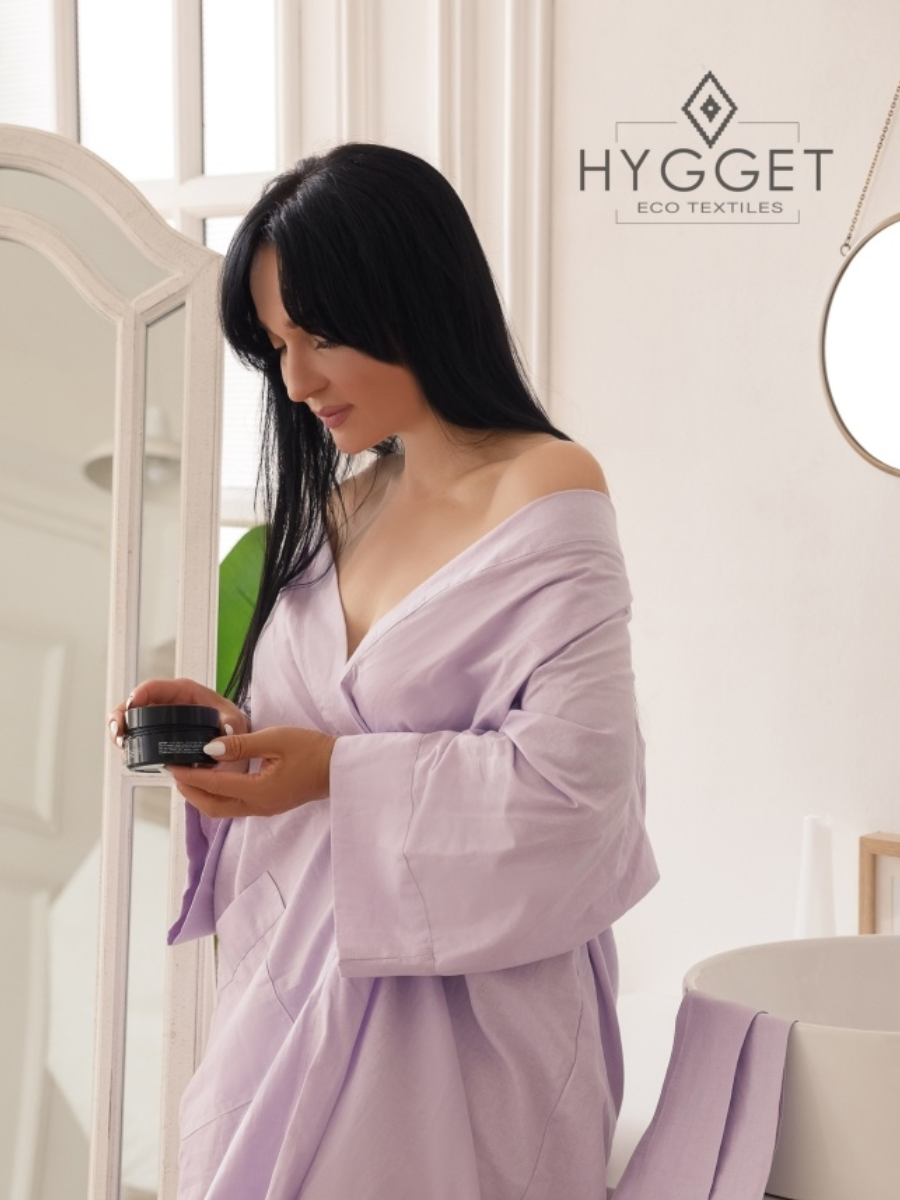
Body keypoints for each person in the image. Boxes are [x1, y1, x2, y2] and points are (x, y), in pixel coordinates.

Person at [108, 142, 658, 1200]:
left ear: (414, 297)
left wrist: (332, 773)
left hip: (472, 1045)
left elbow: (580, 790)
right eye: (276, 345)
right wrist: (227, 733)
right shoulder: (338, 511)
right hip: (287, 1005)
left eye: (320, 336)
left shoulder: (548, 488)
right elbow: (308, 740)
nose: (296, 380)